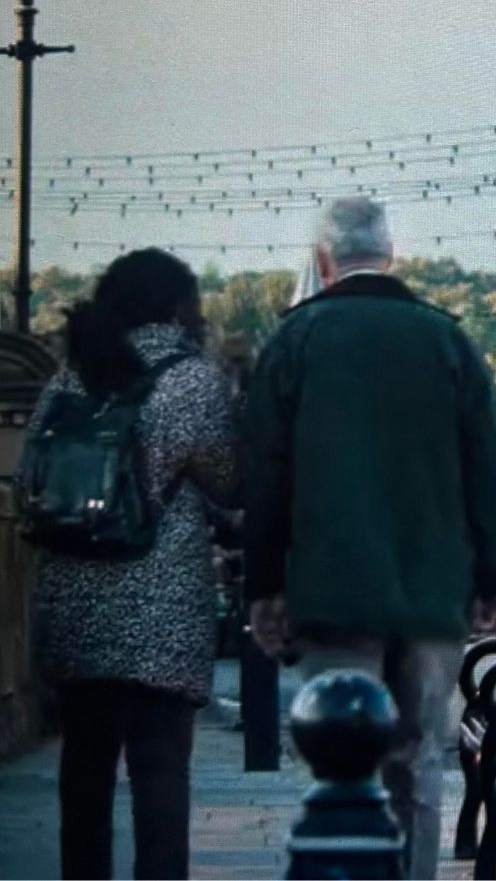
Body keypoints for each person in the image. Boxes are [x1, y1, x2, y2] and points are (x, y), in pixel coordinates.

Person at [242, 196, 496, 880]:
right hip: (431, 596)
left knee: (337, 757)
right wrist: (493, 576)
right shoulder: (446, 340)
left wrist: (264, 589)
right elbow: (493, 471)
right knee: (419, 762)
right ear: (390, 256)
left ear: (324, 260)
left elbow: (265, 479)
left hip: (331, 591)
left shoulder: (294, 342)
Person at [21, 248, 239, 880]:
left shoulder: (69, 376)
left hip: (74, 601)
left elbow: (28, 487)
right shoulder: (191, 377)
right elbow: (229, 483)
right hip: (159, 602)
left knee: (84, 766)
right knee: (160, 767)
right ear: (178, 305)